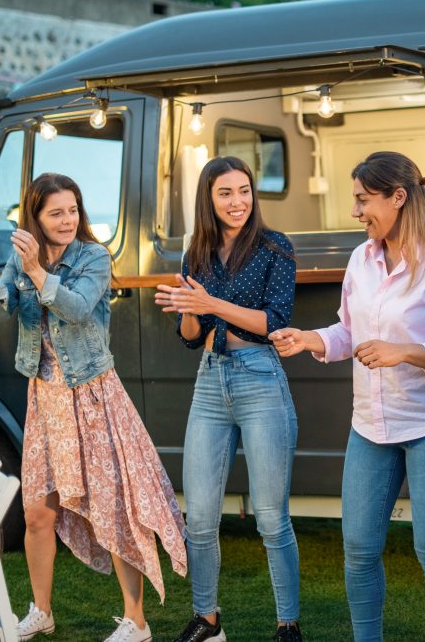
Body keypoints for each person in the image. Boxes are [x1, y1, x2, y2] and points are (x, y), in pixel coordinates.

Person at [269, 151, 425, 642]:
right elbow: (350, 331)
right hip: (370, 426)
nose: (355, 212)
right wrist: (311, 339)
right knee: (359, 548)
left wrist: (405, 352)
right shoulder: (360, 260)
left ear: (399, 197)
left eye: (364, 200)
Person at [0, 172, 186, 642]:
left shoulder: (93, 256)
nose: (67, 220)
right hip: (44, 399)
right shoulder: (22, 255)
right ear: (36, 216)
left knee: (115, 507)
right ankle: (41, 611)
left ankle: (137, 622)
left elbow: (79, 307)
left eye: (72, 210)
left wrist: (37, 272)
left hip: (91, 396)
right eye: (56, 213)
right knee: (38, 512)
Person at [154, 156, 301, 642]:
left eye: (244, 191)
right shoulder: (195, 253)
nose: (238, 202)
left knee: (271, 517)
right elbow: (192, 336)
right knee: (197, 516)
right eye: (226, 193)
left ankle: (287, 626)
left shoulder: (275, 246)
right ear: (209, 199)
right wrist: (185, 309)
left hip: (260, 377)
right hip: (210, 381)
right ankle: (207, 620)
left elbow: (276, 321)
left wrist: (210, 304)